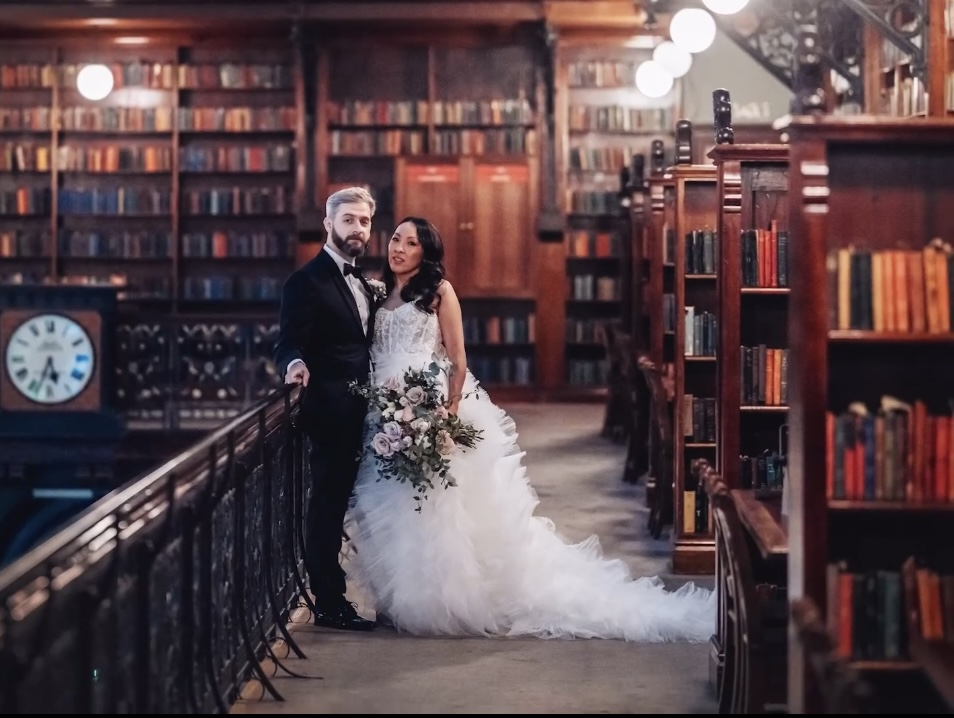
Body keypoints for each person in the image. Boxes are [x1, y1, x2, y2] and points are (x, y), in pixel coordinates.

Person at [343, 216, 716, 642]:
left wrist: (445, 413)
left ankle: (443, 602)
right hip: (384, 411)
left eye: (410, 243)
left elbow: (459, 359)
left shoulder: (438, 292)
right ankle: (397, 601)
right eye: (395, 239)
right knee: (391, 502)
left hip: (428, 405)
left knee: (434, 506)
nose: (398, 248)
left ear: (424, 253)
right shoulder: (376, 292)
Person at [274, 186, 381, 631]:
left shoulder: (366, 281)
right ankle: (330, 603)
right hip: (332, 414)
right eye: (349, 220)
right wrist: (295, 365)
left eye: (364, 221)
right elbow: (287, 342)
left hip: (372, 416)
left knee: (373, 508)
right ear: (328, 224)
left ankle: (388, 596)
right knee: (327, 508)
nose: (357, 228)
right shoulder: (305, 281)